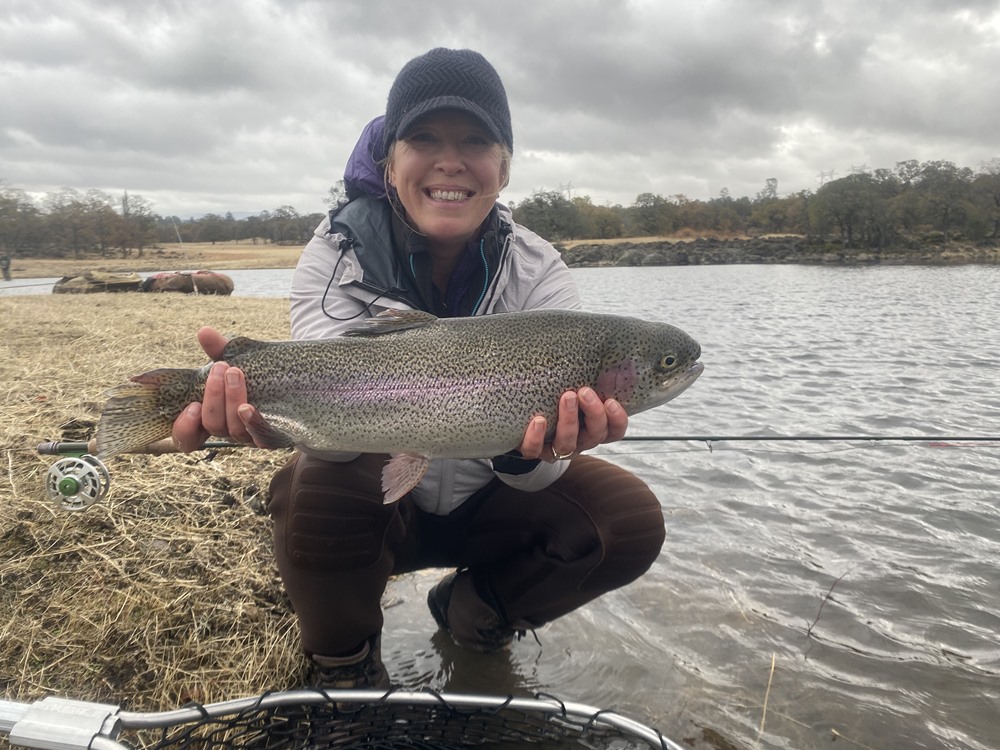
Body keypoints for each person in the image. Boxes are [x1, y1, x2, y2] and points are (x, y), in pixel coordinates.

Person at [172, 48, 665, 690]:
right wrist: (267, 415)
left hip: (490, 508)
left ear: (504, 166)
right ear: (390, 161)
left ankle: (475, 615)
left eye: (476, 141)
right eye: (424, 138)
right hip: (373, 500)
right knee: (317, 482)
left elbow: (541, 480)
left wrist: (528, 454)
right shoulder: (333, 256)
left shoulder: (541, 273)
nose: (450, 161)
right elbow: (338, 443)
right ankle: (345, 665)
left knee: (628, 521)